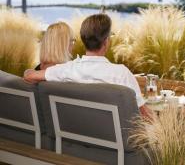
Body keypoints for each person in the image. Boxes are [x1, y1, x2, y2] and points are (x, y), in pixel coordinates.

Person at [24, 14, 152, 119]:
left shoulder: (65, 70)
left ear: (84, 41)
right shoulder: (121, 74)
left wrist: (31, 70)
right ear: (106, 41)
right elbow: (145, 115)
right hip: (118, 140)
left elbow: (29, 76)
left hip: (80, 134)